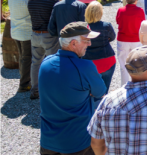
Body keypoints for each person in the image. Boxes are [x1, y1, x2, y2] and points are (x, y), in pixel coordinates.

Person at [39, 22, 105, 155]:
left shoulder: (45, 63)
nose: (89, 44)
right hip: (78, 142)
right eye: (86, 40)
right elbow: (101, 92)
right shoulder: (85, 66)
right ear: (73, 43)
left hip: (48, 140)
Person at [27, 0, 60, 100]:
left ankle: (35, 89)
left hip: (35, 34)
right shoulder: (53, 1)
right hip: (49, 35)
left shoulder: (31, 0)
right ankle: (52, 90)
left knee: (35, 63)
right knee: (52, 63)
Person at [8, 0, 34, 94]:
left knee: (22, 57)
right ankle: (24, 84)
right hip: (26, 32)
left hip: (15, 31)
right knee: (26, 58)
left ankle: (24, 79)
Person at [115, 0, 146, 85]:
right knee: (137, 65)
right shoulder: (140, 10)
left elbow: (117, 21)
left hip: (123, 39)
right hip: (136, 40)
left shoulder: (120, 10)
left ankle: (124, 85)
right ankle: (136, 84)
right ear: (136, 0)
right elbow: (143, 23)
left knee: (123, 65)